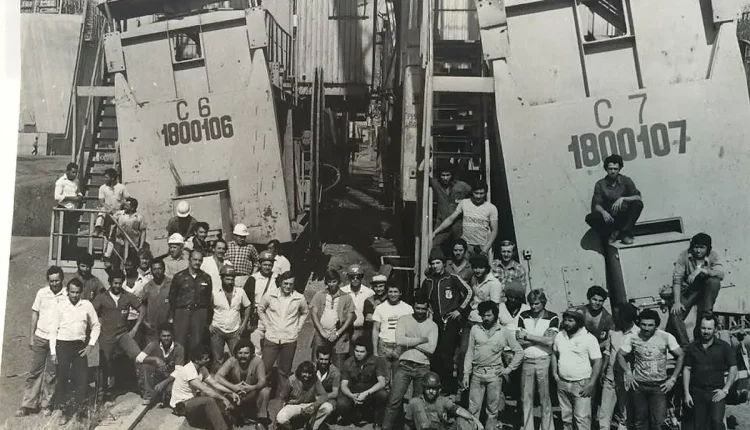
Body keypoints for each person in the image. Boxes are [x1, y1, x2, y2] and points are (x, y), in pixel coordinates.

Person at [617, 309, 684, 430]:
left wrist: (673, 379)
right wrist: (628, 373)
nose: (646, 328)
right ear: (639, 323)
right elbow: (620, 355)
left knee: (658, 422)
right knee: (640, 422)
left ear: (656, 325)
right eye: (643, 324)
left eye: (650, 325)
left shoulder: (666, 337)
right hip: (639, 386)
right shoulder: (633, 337)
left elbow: (681, 355)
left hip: (659, 386)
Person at [417, 248, 472, 394]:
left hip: (450, 322)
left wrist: (459, 310)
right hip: (434, 323)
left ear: (443, 264)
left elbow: (469, 292)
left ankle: (449, 387)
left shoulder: (452, 278)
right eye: (432, 263)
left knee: (447, 355)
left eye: (438, 263)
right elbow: (420, 299)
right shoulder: (428, 281)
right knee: (435, 354)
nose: (435, 266)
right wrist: (425, 311)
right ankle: (435, 384)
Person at [15, 266, 68, 418]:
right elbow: (34, 314)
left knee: (51, 374)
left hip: (56, 340)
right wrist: (31, 337)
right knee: (34, 372)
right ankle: (27, 404)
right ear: (48, 281)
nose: (54, 284)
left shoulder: (66, 295)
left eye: (57, 280)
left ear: (62, 279)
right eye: (51, 281)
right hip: (40, 336)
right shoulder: (42, 293)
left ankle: (46, 405)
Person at [463, 301, 524, 430]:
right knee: (473, 408)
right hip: (477, 374)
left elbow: (519, 351)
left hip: (494, 375)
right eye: (483, 315)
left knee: (492, 410)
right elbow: (470, 352)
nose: (486, 318)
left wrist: (508, 369)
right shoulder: (475, 329)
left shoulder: (504, 331)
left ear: (495, 315)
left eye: (489, 315)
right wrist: (465, 374)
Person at [48, 278, 101, 424]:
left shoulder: (87, 305)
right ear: (67, 291)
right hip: (62, 345)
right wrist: (53, 352)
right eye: (72, 292)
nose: (75, 295)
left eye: (77, 292)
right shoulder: (60, 305)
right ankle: (64, 412)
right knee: (63, 379)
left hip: (79, 347)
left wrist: (90, 345)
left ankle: (79, 412)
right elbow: (53, 329)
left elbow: (96, 325)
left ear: (81, 292)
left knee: (81, 379)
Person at [383, 293, 438, 430]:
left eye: (423, 309)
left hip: (423, 367)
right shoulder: (404, 320)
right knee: (394, 400)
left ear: (428, 309)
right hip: (404, 365)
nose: (420, 311)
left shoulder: (433, 325)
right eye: (417, 308)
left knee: (417, 403)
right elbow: (400, 340)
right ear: (413, 307)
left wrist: (410, 340)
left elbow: (431, 349)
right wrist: (421, 339)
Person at [92, 269, 145, 401]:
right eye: (115, 283)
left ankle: (144, 390)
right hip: (107, 335)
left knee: (139, 357)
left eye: (120, 283)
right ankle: (100, 396)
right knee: (104, 365)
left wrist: (135, 329)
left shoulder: (127, 296)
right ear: (110, 283)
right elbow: (91, 313)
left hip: (123, 334)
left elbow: (142, 309)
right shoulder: (102, 297)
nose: (117, 286)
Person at [156, 346, 238, 430]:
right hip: (180, 405)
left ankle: (224, 424)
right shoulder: (189, 369)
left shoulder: (202, 368)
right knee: (209, 400)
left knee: (215, 396)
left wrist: (231, 392)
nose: (208, 360)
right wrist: (224, 398)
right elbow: (206, 390)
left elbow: (214, 383)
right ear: (196, 360)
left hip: (192, 400)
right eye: (205, 359)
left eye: (208, 358)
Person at [682, 312, 738, 430]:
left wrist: (725, 390)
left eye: (709, 328)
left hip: (716, 393)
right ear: (699, 328)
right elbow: (687, 369)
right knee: (700, 426)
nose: (706, 331)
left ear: (715, 329)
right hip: (697, 392)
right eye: (703, 328)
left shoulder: (723, 347)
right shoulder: (692, 347)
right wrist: (687, 393)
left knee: (716, 423)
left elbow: (733, 368)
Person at [667, 232, 725, 346]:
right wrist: (677, 302)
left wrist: (701, 270)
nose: (698, 251)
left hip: (706, 291)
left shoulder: (713, 255)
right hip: (690, 290)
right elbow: (677, 279)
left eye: (702, 248)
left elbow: (721, 274)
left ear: (708, 248)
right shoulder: (684, 255)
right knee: (675, 313)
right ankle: (685, 346)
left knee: (714, 281)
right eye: (696, 247)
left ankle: (700, 340)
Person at [552, 308, 603, 430]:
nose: (567, 323)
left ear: (579, 322)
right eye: (565, 320)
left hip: (581, 384)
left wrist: (591, 383)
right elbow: (554, 353)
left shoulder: (589, 338)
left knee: (582, 419)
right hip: (563, 383)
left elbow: (597, 361)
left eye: (571, 320)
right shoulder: (560, 335)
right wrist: (554, 374)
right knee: (566, 418)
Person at [258, 272, 309, 394]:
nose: (288, 286)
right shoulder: (270, 295)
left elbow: (305, 312)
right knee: (265, 368)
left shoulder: (299, 298)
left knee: (284, 370)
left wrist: (297, 328)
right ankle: (261, 393)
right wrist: (267, 325)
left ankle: (281, 396)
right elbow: (260, 309)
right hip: (272, 337)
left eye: (291, 284)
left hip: (289, 339)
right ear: (280, 282)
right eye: (285, 283)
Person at [516, 289, 559, 430]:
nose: (534, 307)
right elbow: (518, 341)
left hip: (544, 360)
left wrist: (528, 336)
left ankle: (547, 427)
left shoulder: (552, 317)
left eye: (537, 304)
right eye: (532, 304)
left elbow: (550, 342)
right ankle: (527, 427)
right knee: (525, 398)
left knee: (544, 398)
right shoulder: (523, 315)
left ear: (543, 302)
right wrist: (541, 338)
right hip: (527, 360)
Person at [459, 254, 502, 386]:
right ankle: (463, 383)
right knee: (464, 352)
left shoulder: (494, 283)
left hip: (482, 322)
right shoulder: (474, 280)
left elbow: (494, 307)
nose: (477, 271)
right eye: (475, 268)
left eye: (480, 268)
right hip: (470, 320)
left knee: (479, 355)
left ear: (486, 268)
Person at [585, 154, 643, 245]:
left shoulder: (626, 180)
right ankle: (611, 233)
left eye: (615, 169)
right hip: (609, 215)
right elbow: (597, 204)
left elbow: (638, 197)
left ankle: (625, 234)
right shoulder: (600, 184)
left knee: (638, 204)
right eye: (610, 169)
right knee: (590, 218)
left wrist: (623, 198)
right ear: (606, 169)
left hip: (623, 214)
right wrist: (604, 213)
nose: (612, 171)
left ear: (619, 169)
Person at [598, 303, 639, 430]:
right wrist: (603, 369)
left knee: (624, 415)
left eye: (618, 317)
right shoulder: (612, 331)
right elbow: (608, 351)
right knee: (604, 414)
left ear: (627, 319)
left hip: (626, 380)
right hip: (610, 378)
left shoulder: (638, 334)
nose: (614, 319)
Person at [214, 339, 271, 428]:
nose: (243, 356)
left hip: (251, 393)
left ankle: (261, 420)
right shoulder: (232, 360)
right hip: (235, 394)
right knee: (217, 387)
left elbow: (262, 381)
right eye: (240, 353)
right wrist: (233, 387)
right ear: (236, 354)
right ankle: (226, 416)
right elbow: (218, 376)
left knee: (265, 391)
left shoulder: (257, 361)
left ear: (252, 353)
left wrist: (252, 387)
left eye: (246, 353)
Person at [432, 181, 498, 258]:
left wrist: (486, 249)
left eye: (481, 193)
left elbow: (494, 230)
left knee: (480, 269)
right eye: (476, 193)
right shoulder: (464, 203)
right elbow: (451, 219)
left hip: (481, 246)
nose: (478, 196)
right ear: (472, 192)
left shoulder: (491, 208)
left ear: (485, 193)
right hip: (466, 246)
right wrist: (435, 232)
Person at [337, 337, 389, 428]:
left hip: (370, 393)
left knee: (383, 394)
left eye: (362, 352)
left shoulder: (377, 361)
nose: (359, 354)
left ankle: (377, 421)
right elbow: (344, 385)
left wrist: (365, 394)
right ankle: (351, 418)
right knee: (341, 403)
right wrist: (352, 396)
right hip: (354, 393)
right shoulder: (348, 362)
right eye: (357, 351)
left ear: (367, 352)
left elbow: (381, 382)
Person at [169, 249, 213, 356]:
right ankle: (179, 368)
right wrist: (173, 315)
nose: (197, 262)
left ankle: (193, 368)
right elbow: (172, 297)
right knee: (180, 342)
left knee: (197, 343)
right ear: (189, 260)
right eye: (195, 260)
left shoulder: (206, 277)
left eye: (200, 260)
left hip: (199, 312)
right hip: (182, 312)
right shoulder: (179, 276)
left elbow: (208, 298)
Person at [310, 269, 356, 368]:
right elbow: (314, 312)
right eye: (329, 282)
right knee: (316, 361)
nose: (331, 284)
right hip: (321, 333)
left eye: (334, 281)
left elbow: (350, 316)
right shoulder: (320, 294)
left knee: (338, 364)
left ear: (338, 281)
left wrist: (337, 333)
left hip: (339, 335)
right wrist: (321, 331)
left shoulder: (346, 297)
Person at [404, 372, 483, 430]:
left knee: (462, 420)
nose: (431, 391)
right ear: (424, 388)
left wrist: (474, 419)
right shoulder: (414, 403)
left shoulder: (442, 400)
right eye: (428, 388)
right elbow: (408, 425)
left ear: (438, 389)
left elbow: (458, 410)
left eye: (433, 388)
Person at [210, 264, 251, 372]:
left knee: (237, 358)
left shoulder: (240, 292)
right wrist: (209, 324)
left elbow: (247, 306)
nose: (230, 281)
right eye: (227, 279)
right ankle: (217, 384)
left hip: (235, 331)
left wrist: (244, 324)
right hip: (217, 330)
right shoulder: (214, 293)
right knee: (218, 359)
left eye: (232, 279)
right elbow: (207, 309)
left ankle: (235, 381)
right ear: (221, 278)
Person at [372, 284, 414, 383]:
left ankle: (396, 398)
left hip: (400, 347)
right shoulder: (380, 308)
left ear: (400, 293)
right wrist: (374, 350)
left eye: (396, 292)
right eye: (390, 292)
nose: (393, 294)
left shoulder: (407, 308)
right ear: (387, 293)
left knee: (399, 379)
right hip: (384, 346)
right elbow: (375, 329)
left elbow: (410, 330)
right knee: (383, 379)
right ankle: (385, 398)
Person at [136, 323, 185, 405]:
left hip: (171, 378)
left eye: (168, 336)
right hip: (158, 375)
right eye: (163, 336)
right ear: (159, 336)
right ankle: (149, 396)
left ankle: (162, 394)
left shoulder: (179, 348)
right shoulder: (154, 344)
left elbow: (178, 371)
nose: (166, 338)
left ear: (172, 335)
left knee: (171, 395)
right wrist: (155, 359)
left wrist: (164, 383)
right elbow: (138, 359)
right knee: (145, 366)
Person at [276, 361, 334, 430]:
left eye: (309, 373)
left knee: (328, 407)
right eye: (304, 372)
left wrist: (314, 406)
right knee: (281, 419)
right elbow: (282, 397)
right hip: (293, 405)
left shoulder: (314, 379)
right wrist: (277, 416)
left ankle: (312, 426)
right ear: (299, 371)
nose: (307, 375)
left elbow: (324, 395)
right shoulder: (291, 380)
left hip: (309, 404)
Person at [429, 162, 472, 254]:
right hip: (442, 224)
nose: (445, 178)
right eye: (442, 175)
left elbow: (475, 194)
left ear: (452, 175)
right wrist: (426, 158)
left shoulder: (461, 186)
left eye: (447, 175)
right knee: (433, 246)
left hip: (458, 224)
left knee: (461, 248)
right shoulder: (437, 184)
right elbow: (421, 174)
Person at [244, 250, 278, 357]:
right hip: (257, 316)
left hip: (272, 315)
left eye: (270, 265)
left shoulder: (277, 279)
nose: (267, 267)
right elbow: (246, 299)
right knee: (256, 344)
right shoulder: (253, 279)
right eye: (265, 264)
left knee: (271, 345)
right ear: (260, 264)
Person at [341, 264, 375, 343]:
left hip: (363, 330)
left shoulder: (369, 292)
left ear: (362, 277)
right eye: (352, 277)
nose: (355, 279)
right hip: (345, 330)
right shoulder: (342, 291)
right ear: (348, 278)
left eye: (358, 277)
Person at [54, 163, 83, 256]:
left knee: (73, 233)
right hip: (64, 209)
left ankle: (72, 254)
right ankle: (62, 254)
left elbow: (78, 192)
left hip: (74, 210)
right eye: (73, 172)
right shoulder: (60, 182)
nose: (75, 174)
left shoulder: (76, 181)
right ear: (67, 171)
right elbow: (57, 197)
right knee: (64, 233)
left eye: (76, 173)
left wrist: (79, 196)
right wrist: (72, 198)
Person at [141, 259, 173, 343]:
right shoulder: (147, 286)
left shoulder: (171, 284)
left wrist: (172, 319)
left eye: (159, 268)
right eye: (154, 269)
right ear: (151, 271)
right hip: (151, 326)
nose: (157, 271)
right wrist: (145, 322)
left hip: (167, 326)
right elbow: (142, 306)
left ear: (164, 269)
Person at [94, 168, 129, 236]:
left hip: (118, 212)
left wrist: (123, 204)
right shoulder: (102, 188)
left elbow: (128, 199)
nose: (104, 179)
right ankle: (98, 228)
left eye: (106, 177)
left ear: (112, 178)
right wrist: (110, 209)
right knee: (102, 210)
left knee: (116, 233)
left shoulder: (121, 187)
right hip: (108, 212)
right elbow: (101, 202)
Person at [226, 223, 259, 288]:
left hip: (244, 278)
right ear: (235, 235)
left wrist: (252, 275)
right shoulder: (228, 246)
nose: (242, 239)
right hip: (229, 277)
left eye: (244, 237)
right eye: (240, 236)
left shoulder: (250, 247)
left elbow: (257, 261)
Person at [582, 285, 614, 352]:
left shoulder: (608, 318)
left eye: (600, 301)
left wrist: (596, 348)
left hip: (599, 351)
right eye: (594, 299)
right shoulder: (580, 313)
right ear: (589, 298)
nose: (597, 303)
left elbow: (612, 338)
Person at [314, 346, 341, 415]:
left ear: (330, 360)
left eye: (326, 359)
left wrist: (320, 398)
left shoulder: (335, 373)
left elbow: (335, 393)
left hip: (327, 397)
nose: (323, 362)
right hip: (312, 395)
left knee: (332, 406)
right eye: (321, 359)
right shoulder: (311, 368)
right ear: (317, 359)